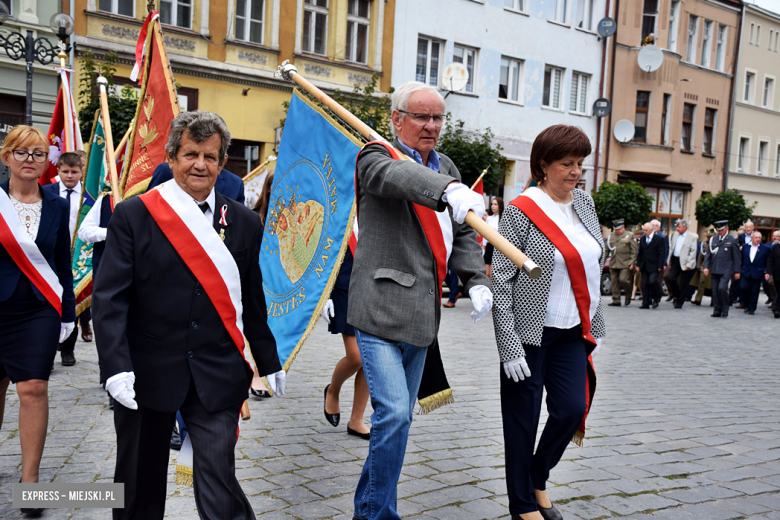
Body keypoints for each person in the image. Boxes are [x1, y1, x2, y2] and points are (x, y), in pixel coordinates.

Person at [93, 111, 286, 520]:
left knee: (218, 474)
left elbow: (251, 300)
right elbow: (110, 300)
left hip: (216, 370)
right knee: (137, 484)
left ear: (222, 162)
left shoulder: (245, 222)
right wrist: (115, 366)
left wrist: (268, 360)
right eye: (191, 154)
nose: (201, 165)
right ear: (172, 157)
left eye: (211, 157)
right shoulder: (135, 214)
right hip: (146, 373)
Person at [349, 81, 491, 520]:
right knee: (392, 416)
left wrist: (476, 278)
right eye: (421, 117)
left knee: (399, 423)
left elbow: (465, 229)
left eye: (438, 118)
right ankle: (377, 516)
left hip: (422, 317)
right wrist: (448, 188)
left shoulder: (444, 164)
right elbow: (397, 178)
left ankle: (369, 508)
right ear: (397, 119)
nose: (431, 126)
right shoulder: (374, 154)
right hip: (377, 309)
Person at [492, 124, 604, 520]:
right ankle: (523, 505)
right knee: (522, 422)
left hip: (573, 332)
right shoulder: (521, 210)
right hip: (529, 335)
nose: (575, 171)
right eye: (566, 163)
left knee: (572, 410)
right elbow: (502, 281)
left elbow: (593, 268)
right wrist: (508, 348)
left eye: (580, 164)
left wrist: (596, 324)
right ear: (543, 164)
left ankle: (537, 477)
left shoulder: (585, 205)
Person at [0, 125, 75, 516]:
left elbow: (62, 263)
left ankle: (30, 482)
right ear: (7, 156)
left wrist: (67, 314)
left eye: (38, 154)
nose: (30, 160)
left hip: (37, 311)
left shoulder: (57, 206)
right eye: (22, 152)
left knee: (33, 388)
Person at [320, 242, 371, 440]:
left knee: (372, 357)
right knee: (357, 356)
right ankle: (333, 391)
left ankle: (356, 420)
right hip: (344, 281)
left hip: (374, 281)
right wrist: (325, 291)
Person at [42, 152, 84, 365]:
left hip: (77, 255)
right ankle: (46, 351)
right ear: (58, 171)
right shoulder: (46, 193)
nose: (69, 176)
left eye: (74, 171)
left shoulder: (89, 196)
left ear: (81, 172)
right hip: (50, 254)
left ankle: (68, 348)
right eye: (65, 171)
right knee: (50, 302)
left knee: (71, 301)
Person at [147, 161, 246, 205]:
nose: (200, 165)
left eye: (209, 156)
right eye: (192, 154)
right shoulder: (167, 171)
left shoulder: (235, 185)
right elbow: (147, 213)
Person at [703, 220, 741, 318]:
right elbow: (708, 254)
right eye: (719, 230)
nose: (720, 232)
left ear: (727, 228)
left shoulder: (732, 240)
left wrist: (737, 271)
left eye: (722, 230)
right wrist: (706, 267)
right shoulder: (714, 239)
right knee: (715, 291)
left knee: (722, 289)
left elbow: (737, 257)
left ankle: (725, 309)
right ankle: (717, 310)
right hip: (715, 268)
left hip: (726, 269)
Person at [666, 219, 698, 309]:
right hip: (676, 260)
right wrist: (669, 261)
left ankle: (680, 302)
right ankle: (677, 294)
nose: (677, 228)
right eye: (676, 226)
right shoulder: (675, 235)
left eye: (679, 227)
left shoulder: (691, 236)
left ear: (685, 227)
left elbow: (693, 251)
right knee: (671, 278)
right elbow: (671, 248)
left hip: (686, 261)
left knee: (684, 283)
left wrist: (689, 263)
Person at [606, 218, 636, 307]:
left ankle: (628, 295)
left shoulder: (629, 235)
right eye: (615, 229)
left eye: (618, 229)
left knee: (623, 280)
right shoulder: (611, 236)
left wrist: (632, 261)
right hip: (614, 262)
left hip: (625, 263)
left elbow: (634, 250)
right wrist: (602, 262)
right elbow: (607, 250)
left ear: (623, 227)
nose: (617, 231)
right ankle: (616, 300)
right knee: (614, 282)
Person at [740, 231, 770, 315]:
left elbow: (768, 261)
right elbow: (741, 259)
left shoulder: (766, 248)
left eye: (759, 238)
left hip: (758, 272)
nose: (758, 239)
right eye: (756, 237)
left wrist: (767, 272)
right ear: (752, 238)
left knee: (754, 291)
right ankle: (746, 304)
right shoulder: (745, 247)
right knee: (744, 288)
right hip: (746, 271)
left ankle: (752, 308)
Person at [635, 223, 665, 309]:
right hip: (644, 265)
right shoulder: (643, 239)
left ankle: (656, 298)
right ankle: (646, 302)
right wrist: (638, 264)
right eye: (643, 230)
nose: (644, 232)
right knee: (644, 284)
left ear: (651, 230)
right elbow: (640, 252)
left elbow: (661, 254)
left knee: (652, 281)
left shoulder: (659, 239)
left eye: (646, 230)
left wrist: (660, 265)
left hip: (654, 265)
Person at [691, 229, 715, 306]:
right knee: (701, 282)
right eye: (708, 236)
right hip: (704, 266)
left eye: (710, 236)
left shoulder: (717, 244)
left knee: (713, 284)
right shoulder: (704, 244)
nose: (708, 238)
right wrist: (698, 266)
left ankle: (713, 301)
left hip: (714, 266)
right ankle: (698, 299)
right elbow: (700, 256)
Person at [484, 196, 504, 279]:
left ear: (500, 206)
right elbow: (485, 233)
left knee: (493, 273)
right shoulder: (489, 218)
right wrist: (484, 247)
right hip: (489, 246)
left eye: (495, 204)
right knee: (486, 273)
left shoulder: (503, 218)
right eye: (492, 204)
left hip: (497, 246)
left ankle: (493, 291)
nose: (493, 206)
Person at [765, 231, 780, 318]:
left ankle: (777, 309)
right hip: (777, 273)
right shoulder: (776, 246)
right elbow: (771, 260)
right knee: (778, 291)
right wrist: (768, 272)